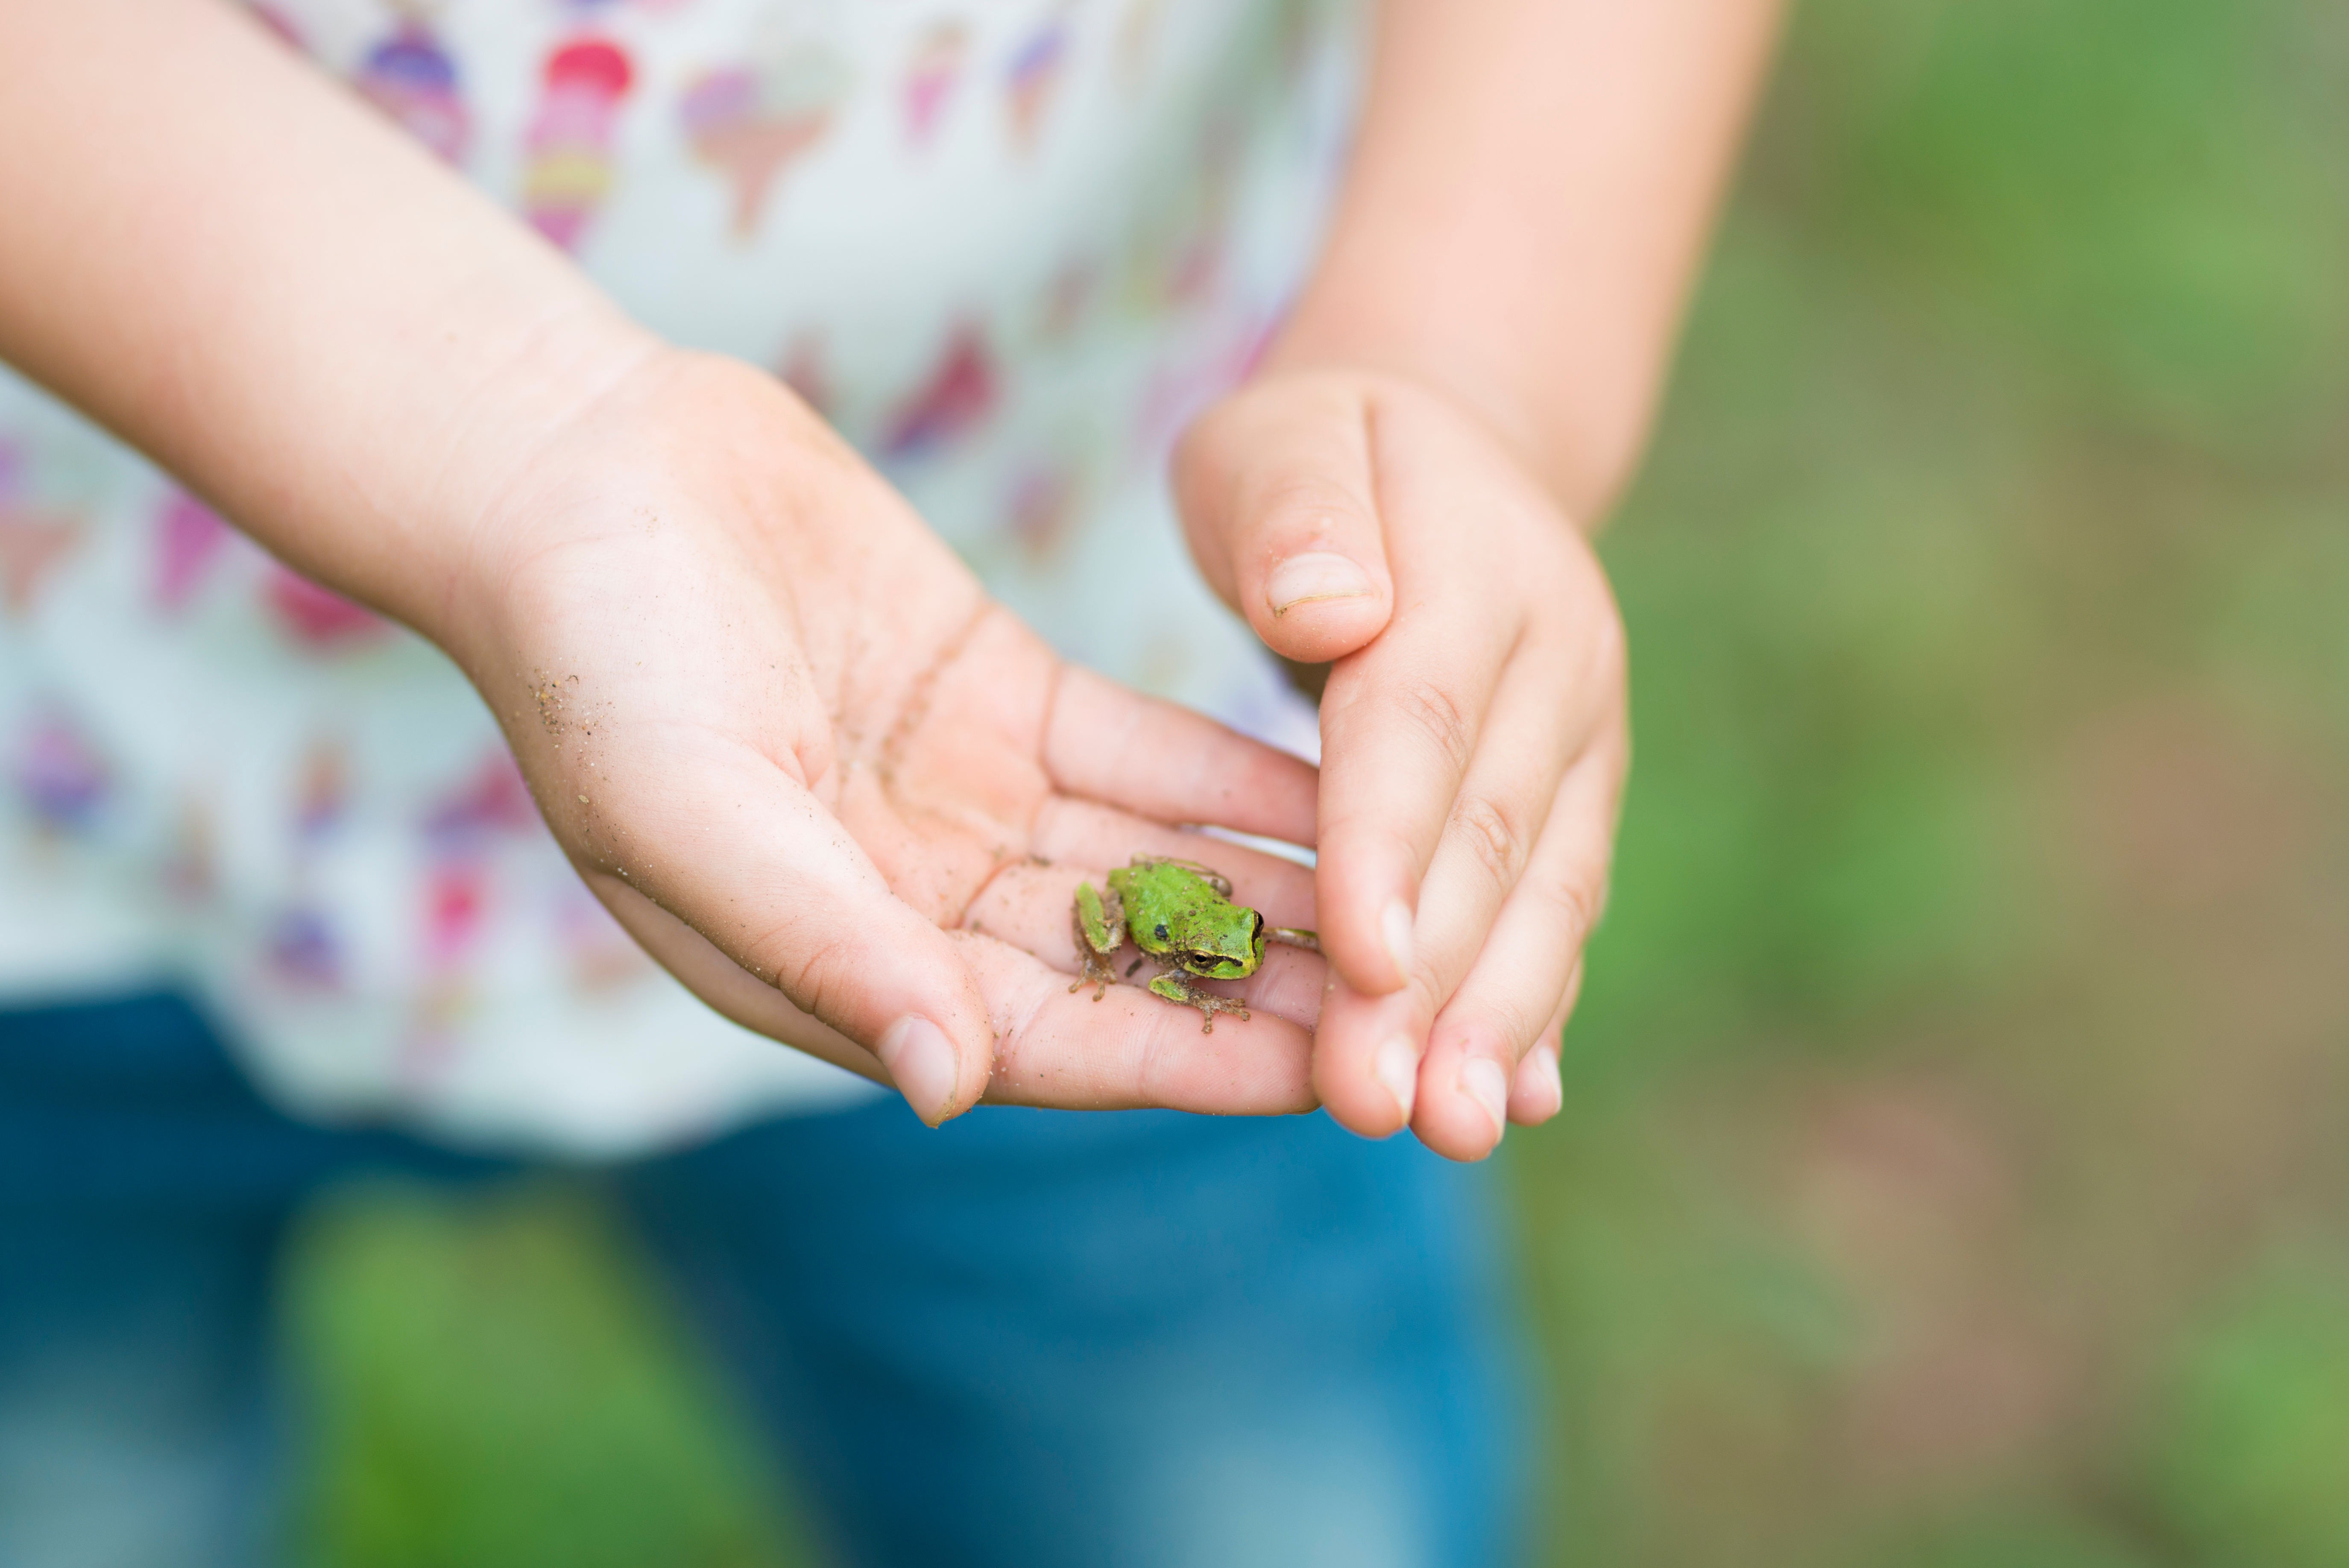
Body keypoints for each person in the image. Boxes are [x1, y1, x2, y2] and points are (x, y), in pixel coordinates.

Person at [0, 0, 1780, 1562]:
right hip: (68, 795)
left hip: (1044, 705)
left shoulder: (1147, 899)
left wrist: (1461, 373)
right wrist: (517, 437)